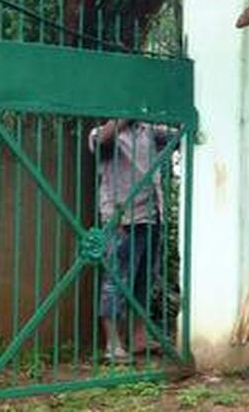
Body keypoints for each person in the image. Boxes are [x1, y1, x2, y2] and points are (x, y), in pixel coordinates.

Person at [89, 119, 170, 363]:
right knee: (115, 280)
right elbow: (101, 141)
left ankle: (138, 338)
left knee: (144, 281)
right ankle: (113, 345)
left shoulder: (148, 130)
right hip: (122, 218)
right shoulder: (103, 133)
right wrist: (124, 118)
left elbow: (181, 134)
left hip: (152, 214)